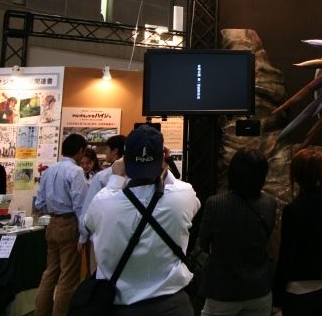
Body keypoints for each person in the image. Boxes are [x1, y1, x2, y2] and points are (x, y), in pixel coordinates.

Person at [84, 125, 200, 315]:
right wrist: (164, 166)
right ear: (162, 158)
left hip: (119, 306)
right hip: (172, 305)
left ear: (125, 160)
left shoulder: (103, 202)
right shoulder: (184, 196)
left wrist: (116, 178)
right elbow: (188, 198)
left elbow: (88, 224)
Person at [198, 148, 278, 316]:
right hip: (258, 289)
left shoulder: (215, 204)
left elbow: (203, 242)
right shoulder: (269, 204)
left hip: (222, 290)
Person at [273, 149, 322, 316]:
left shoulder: (292, 210)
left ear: (296, 175)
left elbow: (286, 255)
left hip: (299, 293)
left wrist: (277, 295)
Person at [34, 133, 89, 316]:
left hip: (52, 223)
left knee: (50, 272)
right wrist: (83, 235)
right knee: (68, 276)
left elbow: (40, 203)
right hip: (69, 223)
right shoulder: (76, 172)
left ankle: (41, 312)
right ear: (80, 151)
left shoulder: (49, 171)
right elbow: (80, 206)